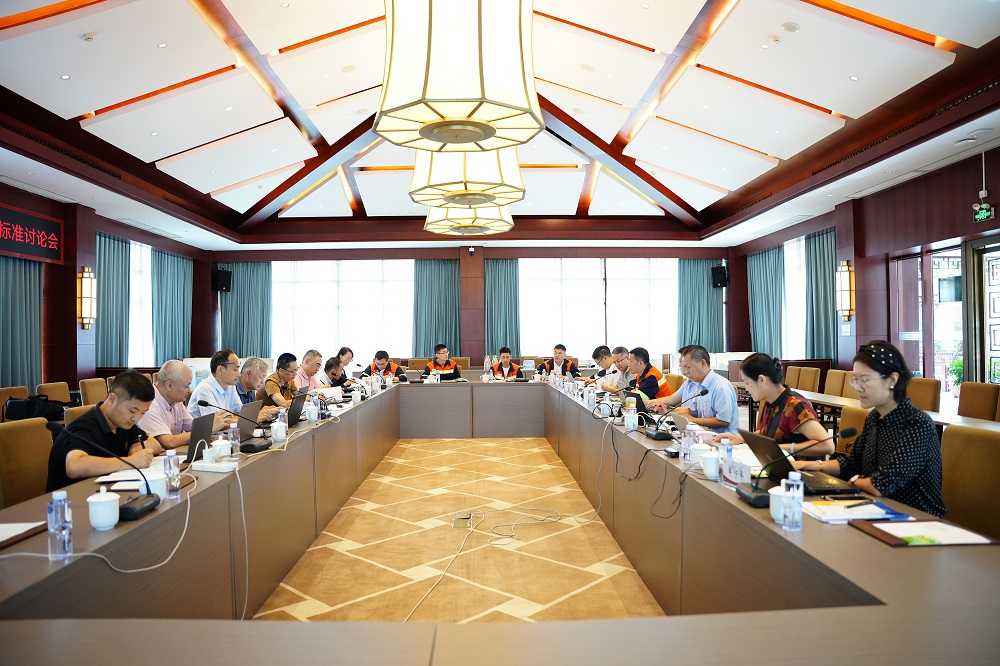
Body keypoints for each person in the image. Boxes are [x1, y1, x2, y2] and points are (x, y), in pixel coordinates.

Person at [793, 341, 945, 517]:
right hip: (876, 509)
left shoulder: (917, 424)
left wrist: (855, 480)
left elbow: (881, 485)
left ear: (892, 380)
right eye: (855, 380)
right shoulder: (874, 417)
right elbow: (852, 464)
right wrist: (806, 465)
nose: (858, 387)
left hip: (916, 519)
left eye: (865, 380)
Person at [46, 370, 158, 491]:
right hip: (72, 497)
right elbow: (74, 466)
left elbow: (155, 443)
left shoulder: (123, 423)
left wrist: (138, 446)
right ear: (112, 399)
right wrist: (130, 462)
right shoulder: (83, 427)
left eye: (143, 413)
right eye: (132, 411)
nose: (136, 418)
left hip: (105, 491)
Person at [714, 353, 832, 457]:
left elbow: (827, 445)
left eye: (747, 383)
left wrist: (780, 448)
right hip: (776, 464)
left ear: (762, 380)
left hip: (797, 470)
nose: (746, 388)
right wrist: (740, 438)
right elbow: (769, 432)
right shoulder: (771, 401)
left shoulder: (795, 405)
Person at [138, 360, 228, 451]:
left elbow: (194, 427)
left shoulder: (177, 402)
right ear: (169, 385)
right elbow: (169, 442)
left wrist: (214, 423)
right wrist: (208, 428)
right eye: (186, 386)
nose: (189, 390)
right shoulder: (148, 404)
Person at [648, 345, 737, 433]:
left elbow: (724, 421)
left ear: (702, 363)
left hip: (723, 438)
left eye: (688, 367)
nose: (686, 372)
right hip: (703, 434)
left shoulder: (720, 387)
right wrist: (668, 411)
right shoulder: (698, 384)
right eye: (684, 367)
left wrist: (693, 420)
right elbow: (692, 411)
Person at [189, 349, 243, 419]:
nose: (238, 375)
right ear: (220, 369)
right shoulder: (205, 389)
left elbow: (241, 413)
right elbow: (216, 422)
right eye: (235, 370)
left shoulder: (230, 386)